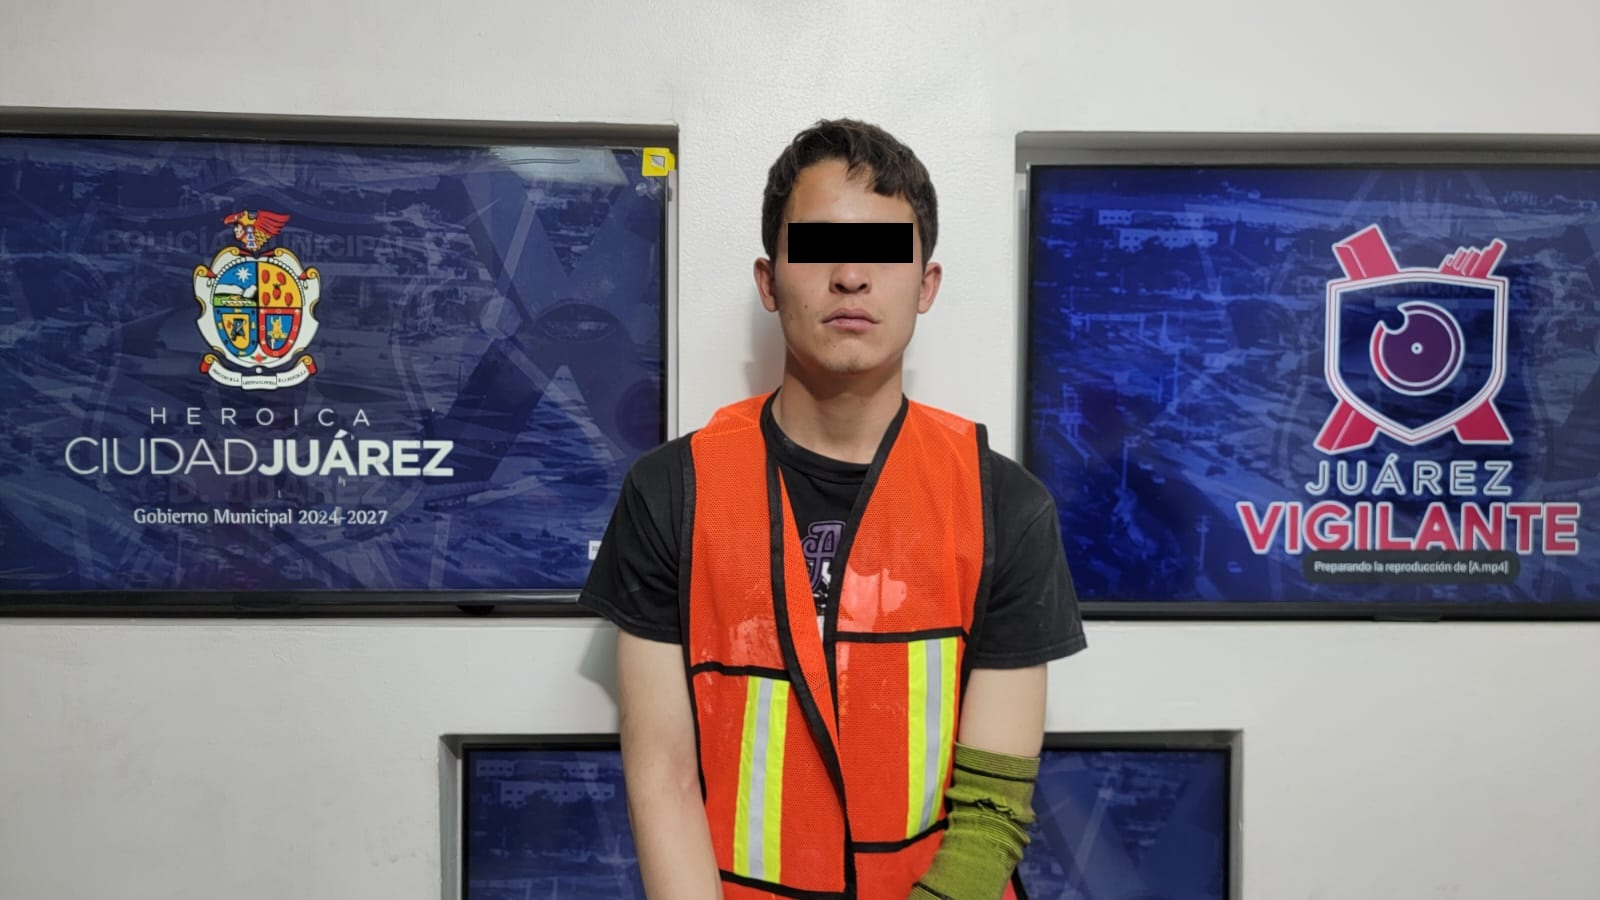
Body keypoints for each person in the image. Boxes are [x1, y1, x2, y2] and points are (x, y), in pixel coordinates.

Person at [580, 118, 1086, 899]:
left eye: (883, 251)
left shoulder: (1006, 507)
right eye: (817, 249)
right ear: (768, 280)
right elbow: (665, 780)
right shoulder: (669, 493)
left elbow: (989, 817)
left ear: (926, 285)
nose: (850, 276)